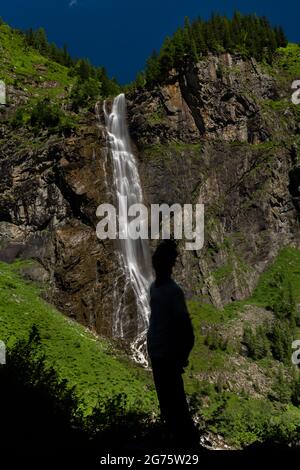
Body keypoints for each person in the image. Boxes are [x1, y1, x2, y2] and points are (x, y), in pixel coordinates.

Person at [147, 240, 198, 449]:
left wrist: (181, 356)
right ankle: (174, 442)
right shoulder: (154, 288)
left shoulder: (173, 291)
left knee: (176, 404)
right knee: (167, 405)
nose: (158, 263)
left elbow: (186, 328)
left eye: (163, 260)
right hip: (157, 355)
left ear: (168, 264)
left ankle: (187, 447)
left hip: (167, 357)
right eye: (157, 259)